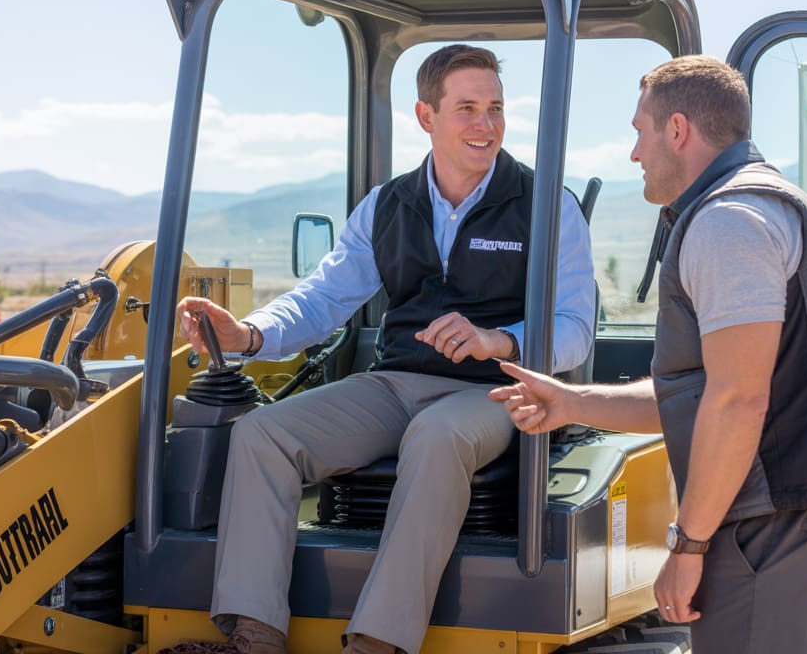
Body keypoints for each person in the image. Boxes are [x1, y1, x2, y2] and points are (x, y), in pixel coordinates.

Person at [175, 44, 596, 654]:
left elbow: (575, 326)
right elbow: (323, 298)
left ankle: (376, 644)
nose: (486, 125)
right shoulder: (387, 205)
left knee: (437, 435)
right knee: (262, 434)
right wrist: (250, 335)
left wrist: (499, 341)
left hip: (499, 391)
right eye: (468, 109)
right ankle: (256, 635)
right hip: (398, 384)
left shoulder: (547, 206)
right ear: (426, 116)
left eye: (496, 109)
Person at [490, 55, 807, 653]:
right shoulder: (778, 207)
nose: (634, 153)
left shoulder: (729, 223)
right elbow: (707, 392)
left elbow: (739, 399)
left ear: (678, 129)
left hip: (768, 526)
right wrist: (571, 401)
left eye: (639, 131)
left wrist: (688, 544)